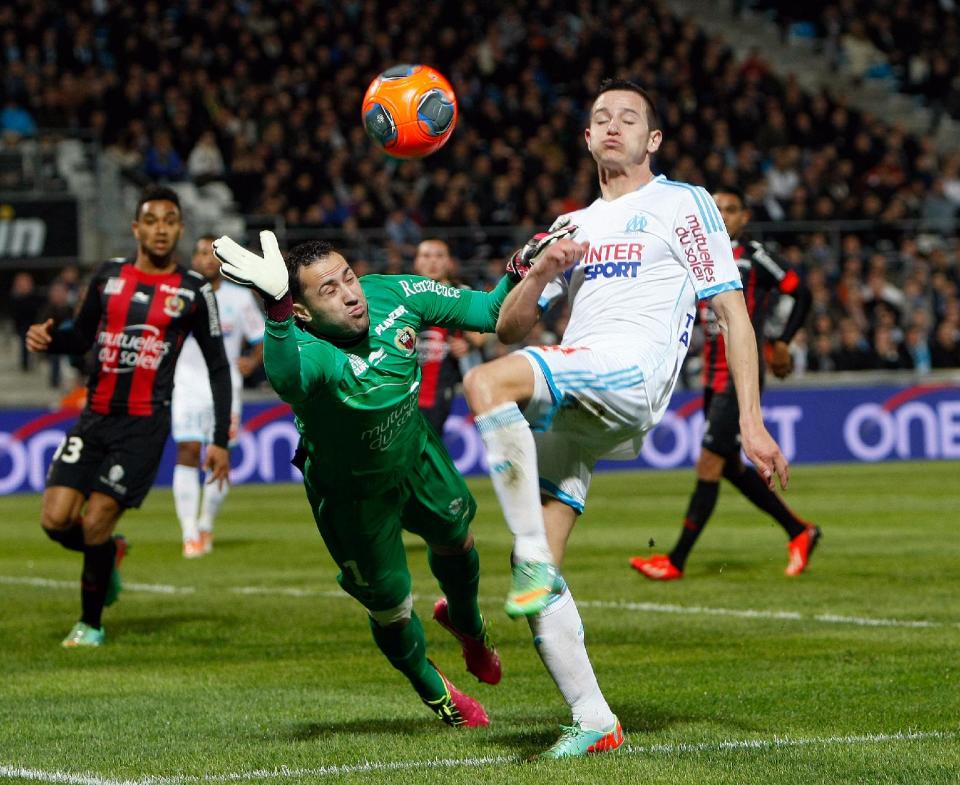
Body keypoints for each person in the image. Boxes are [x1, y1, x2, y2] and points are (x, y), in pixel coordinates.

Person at [461, 78, 789, 758]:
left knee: (485, 385)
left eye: (629, 118)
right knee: (542, 569)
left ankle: (527, 556)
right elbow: (509, 327)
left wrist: (752, 420)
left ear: (654, 139)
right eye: (600, 118)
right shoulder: (571, 226)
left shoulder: (681, 202)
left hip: (630, 373)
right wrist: (540, 269)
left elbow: (731, 311)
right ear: (586, 138)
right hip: (582, 392)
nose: (613, 126)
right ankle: (594, 718)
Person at [211, 230, 515, 728]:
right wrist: (278, 312)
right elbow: (286, 379)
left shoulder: (395, 293)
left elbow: (488, 312)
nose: (350, 293)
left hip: (415, 453)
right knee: (392, 608)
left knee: (458, 540)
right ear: (304, 310)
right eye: (328, 290)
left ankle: (469, 625)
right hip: (353, 496)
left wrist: (524, 269)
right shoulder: (308, 347)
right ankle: (435, 690)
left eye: (348, 277)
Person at [26, 185, 232, 648]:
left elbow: (219, 366)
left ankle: (90, 625)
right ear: (136, 227)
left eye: (170, 220)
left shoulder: (194, 290)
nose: (161, 229)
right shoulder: (108, 276)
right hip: (94, 417)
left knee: (96, 519)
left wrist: (218, 438)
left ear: (180, 228)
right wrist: (49, 339)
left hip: (143, 425)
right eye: (152, 220)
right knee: (55, 521)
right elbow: (80, 336)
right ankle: (111, 554)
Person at [630, 187, 818, 582]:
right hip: (712, 376)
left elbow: (802, 291)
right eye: (716, 208)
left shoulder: (754, 256)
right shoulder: (697, 255)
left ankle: (676, 560)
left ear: (744, 217)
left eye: (731, 209)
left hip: (740, 377)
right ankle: (799, 531)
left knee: (710, 462)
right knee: (730, 465)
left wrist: (782, 341)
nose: (723, 215)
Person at [171, 235, 265, 558]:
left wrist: (251, 362)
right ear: (193, 259)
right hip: (186, 385)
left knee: (218, 455)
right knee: (187, 449)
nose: (205, 259)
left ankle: (206, 523)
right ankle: (188, 533)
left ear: (222, 261)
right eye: (199, 252)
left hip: (226, 388)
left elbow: (262, 338)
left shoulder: (240, 299)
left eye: (212, 253)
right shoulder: (179, 296)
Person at [412, 238, 486, 436]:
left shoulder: (463, 294)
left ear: (449, 262)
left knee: (431, 440)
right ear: (416, 262)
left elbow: (480, 338)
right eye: (426, 256)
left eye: (439, 256)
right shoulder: (406, 293)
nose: (433, 262)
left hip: (443, 383)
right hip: (406, 384)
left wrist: (466, 345)